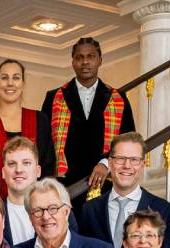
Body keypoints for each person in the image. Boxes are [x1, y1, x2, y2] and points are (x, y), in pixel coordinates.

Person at [42, 37, 134, 209]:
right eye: (79, 57)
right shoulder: (54, 97)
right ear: (73, 62)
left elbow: (128, 142)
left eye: (91, 56)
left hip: (105, 184)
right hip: (64, 185)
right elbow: (44, 144)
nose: (85, 62)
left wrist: (105, 163)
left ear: (100, 60)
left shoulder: (118, 98)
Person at [80, 132, 170, 248]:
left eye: (134, 160)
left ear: (143, 164)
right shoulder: (90, 209)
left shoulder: (163, 210)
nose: (127, 166)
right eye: (120, 158)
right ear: (110, 163)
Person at [0, 59, 57, 195]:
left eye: (16, 78)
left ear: (23, 84)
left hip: (36, 204)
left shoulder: (40, 119)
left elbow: (47, 167)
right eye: (4, 78)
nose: (10, 83)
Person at [1, 136, 42, 246]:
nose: (18, 170)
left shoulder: (58, 211)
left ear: (38, 171)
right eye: (12, 164)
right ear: (3, 173)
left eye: (26, 163)